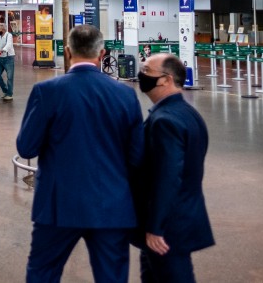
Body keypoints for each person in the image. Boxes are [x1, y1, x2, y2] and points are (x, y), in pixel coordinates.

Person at [16, 24, 144, 283]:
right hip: (111, 205)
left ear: (68, 51)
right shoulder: (126, 95)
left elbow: (26, 147)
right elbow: (137, 156)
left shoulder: (47, 92)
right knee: (112, 277)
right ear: (102, 53)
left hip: (57, 204)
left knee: (43, 272)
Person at [134, 55, 213, 282]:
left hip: (167, 230)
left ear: (166, 80)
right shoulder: (189, 114)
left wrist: (156, 227)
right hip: (182, 218)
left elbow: (167, 178)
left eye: (147, 70)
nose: (142, 75)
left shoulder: (165, 121)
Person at [0, 22, 15, 101]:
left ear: (4, 29)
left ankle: (9, 94)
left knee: (9, 77)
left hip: (9, 58)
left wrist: (2, 50)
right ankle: (5, 90)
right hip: (0, 58)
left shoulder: (9, 35)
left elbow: (8, 45)